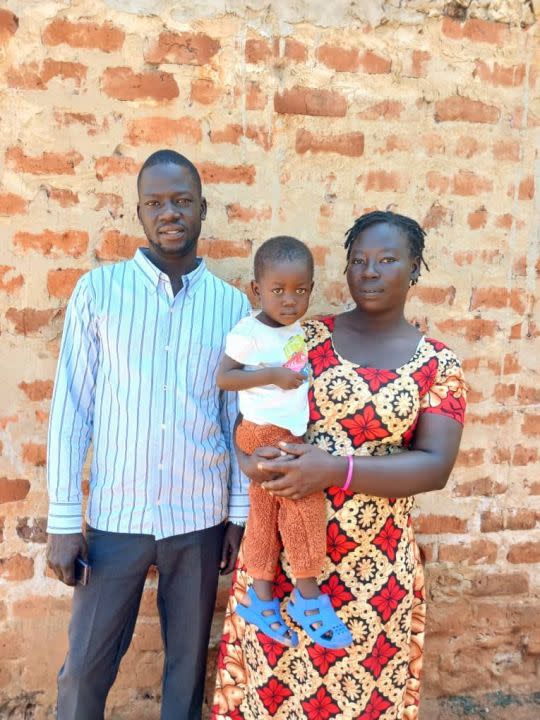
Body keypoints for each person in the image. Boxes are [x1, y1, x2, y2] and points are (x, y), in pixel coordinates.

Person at [212, 210, 467, 719]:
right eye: (358, 261)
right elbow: (245, 407)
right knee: (272, 695)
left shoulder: (439, 364)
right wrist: (245, 459)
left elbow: (435, 467)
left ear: (414, 268)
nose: (369, 271)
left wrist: (336, 470)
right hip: (281, 564)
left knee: (362, 700)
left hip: (373, 573)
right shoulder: (303, 336)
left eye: (387, 260)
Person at [46, 149, 251, 720]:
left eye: (182, 201)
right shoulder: (98, 293)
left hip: (198, 519)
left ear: (202, 210)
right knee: (84, 669)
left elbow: (235, 418)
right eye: (156, 203)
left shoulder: (232, 305)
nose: (170, 213)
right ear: (138, 213)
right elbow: (72, 411)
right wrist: (64, 522)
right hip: (117, 518)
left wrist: (238, 514)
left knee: (187, 670)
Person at [216, 236, 351, 650]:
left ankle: (260, 597)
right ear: (255, 291)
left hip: (280, 430)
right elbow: (225, 378)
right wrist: (272, 375)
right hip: (266, 432)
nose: (290, 299)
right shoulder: (249, 332)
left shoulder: (291, 326)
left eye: (300, 290)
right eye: (277, 290)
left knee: (265, 514)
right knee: (303, 502)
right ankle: (308, 598)